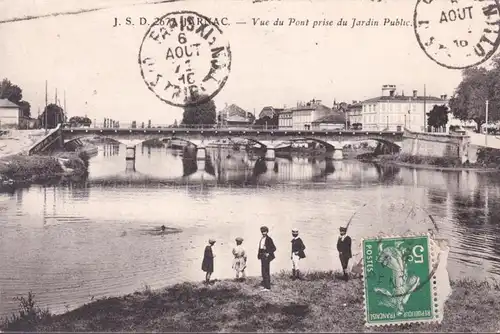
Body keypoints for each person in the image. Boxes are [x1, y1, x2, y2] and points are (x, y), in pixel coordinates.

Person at [257, 226, 276, 291]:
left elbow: (274, 248)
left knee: (266, 271)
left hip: (267, 256)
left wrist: (268, 253)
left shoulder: (269, 239)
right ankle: (264, 285)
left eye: (264, 231)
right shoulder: (262, 239)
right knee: (263, 271)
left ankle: (267, 287)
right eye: (262, 232)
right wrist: (259, 255)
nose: (263, 233)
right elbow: (260, 248)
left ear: (267, 232)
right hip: (262, 255)